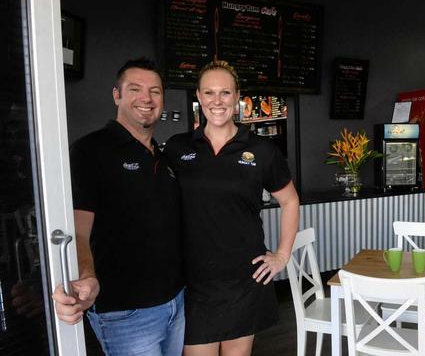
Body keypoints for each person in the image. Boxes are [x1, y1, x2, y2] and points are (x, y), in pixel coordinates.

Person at [165, 60, 299, 356]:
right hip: (193, 282)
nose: (217, 101)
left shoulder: (262, 151)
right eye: (209, 93)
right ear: (198, 96)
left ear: (237, 96)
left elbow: (290, 201)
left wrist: (281, 255)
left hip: (244, 278)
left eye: (225, 93)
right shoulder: (177, 148)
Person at [52, 58, 185, 355]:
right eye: (135, 89)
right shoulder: (91, 151)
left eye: (155, 91)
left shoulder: (163, 157)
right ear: (117, 95)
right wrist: (87, 274)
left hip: (176, 303)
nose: (146, 99)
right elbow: (78, 230)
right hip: (126, 314)